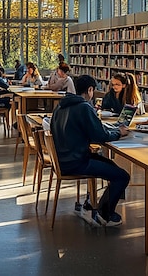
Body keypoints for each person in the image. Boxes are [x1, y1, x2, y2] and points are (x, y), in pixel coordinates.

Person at [50, 74, 130, 227]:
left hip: (63, 159)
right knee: (122, 177)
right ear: (90, 90)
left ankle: (96, 208)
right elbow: (100, 136)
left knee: (113, 167)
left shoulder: (60, 106)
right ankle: (106, 214)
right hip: (77, 162)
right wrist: (119, 132)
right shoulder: (84, 107)